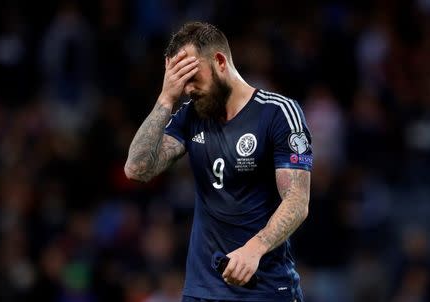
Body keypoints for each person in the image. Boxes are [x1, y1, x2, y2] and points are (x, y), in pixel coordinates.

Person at [124, 21, 312, 302]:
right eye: (180, 80)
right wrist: (165, 98)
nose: (188, 89)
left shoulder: (279, 113)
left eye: (193, 77)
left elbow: (297, 201)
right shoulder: (191, 116)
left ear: (220, 61)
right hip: (202, 291)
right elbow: (136, 169)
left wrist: (255, 248)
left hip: (266, 289)